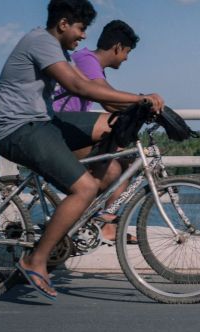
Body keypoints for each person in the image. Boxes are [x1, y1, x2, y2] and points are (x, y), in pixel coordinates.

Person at [0, 0, 164, 300]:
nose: (84, 36)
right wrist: (138, 98)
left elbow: (104, 99)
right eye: (81, 28)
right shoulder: (41, 42)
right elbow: (79, 87)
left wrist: (137, 104)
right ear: (63, 24)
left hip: (43, 121)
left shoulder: (55, 48)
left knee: (108, 126)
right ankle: (35, 260)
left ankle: (83, 207)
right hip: (18, 129)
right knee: (84, 189)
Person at [53, 19, 141, 244]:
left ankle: (105, 223)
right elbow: (109, 100)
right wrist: (143, 101)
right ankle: (90, 219)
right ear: (118, 47)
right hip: (59, 132)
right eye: (127, 52)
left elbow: (108, 102)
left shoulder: (93, 65)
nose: (127, 58)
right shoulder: (86, 60)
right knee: (112, 170)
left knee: (124, 162)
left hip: (73, 131)